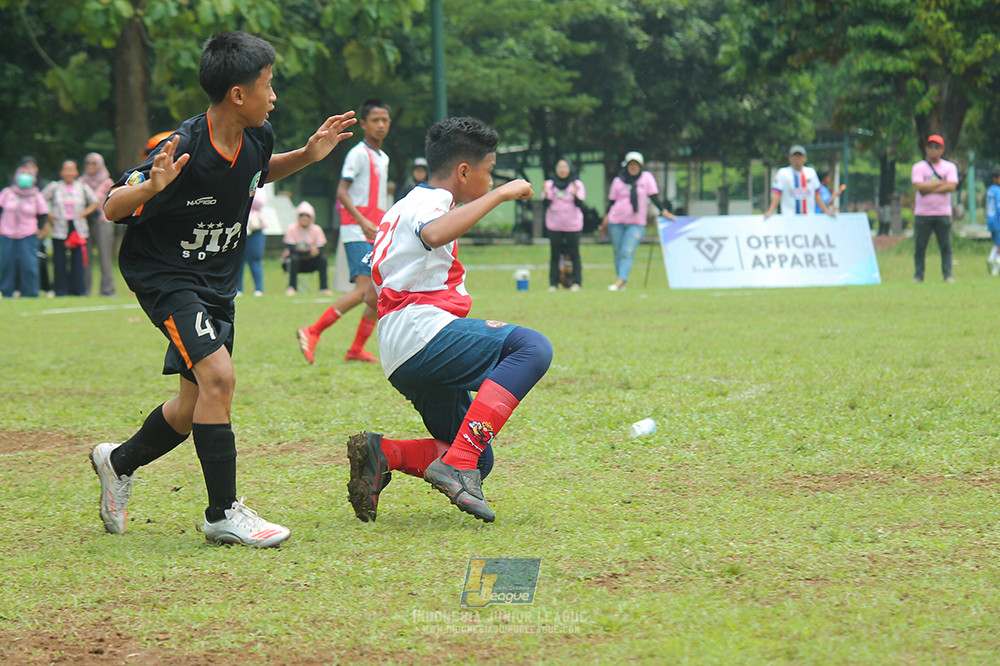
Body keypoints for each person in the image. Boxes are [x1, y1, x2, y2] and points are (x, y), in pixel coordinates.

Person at [89, 30, 357, 548]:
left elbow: (257, 174)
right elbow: (112, 206)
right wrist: (150, 187)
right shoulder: (183, 146)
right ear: (238, 94)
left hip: (216, 282)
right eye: (267, 85)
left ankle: (117, 462)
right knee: (219, 379)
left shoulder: (259, 136)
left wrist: (308, 154)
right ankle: (223, 513)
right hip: (167, 277)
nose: (273, 96)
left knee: (190, 407)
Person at [345, 116, 552, 524]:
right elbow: (435, 234)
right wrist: (503, 195)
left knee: (480, 460)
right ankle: (458, 462)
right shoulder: (433, 201)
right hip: (422, 334)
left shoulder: (401, 207)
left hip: (399, 350)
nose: (492, 181)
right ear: (464, 171)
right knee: (532, 347)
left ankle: (384, 453)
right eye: (490, 171)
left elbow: (372, 292)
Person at [296, 98, 391, 364]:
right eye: (375, 120)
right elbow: (341, 192)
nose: (381, 125)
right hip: (357, 230)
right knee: (363, 291)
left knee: (376, 293)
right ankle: (312, 331)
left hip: (376, 231)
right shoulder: (358, 154)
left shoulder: (383, 158)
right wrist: (361, 221)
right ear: (364, 124)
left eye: (385, 120)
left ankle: (356, 350)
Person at [599, 151, 674, 291]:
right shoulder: (618, 181)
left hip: (636, 223)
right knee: (618, 252)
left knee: (627, 251)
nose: (633, 167)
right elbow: (611, 202)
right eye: (631, 164)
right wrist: (605, 217)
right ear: (626, 165)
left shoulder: (646, 178)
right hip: (616, 221)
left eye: (636, 164)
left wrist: (663, 211)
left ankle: (620, 281)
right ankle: (622, 282)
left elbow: (654, 197)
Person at [41, 160, 99, 296]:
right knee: (59, 260)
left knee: (78, 260)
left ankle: (78, 290)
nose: (68, 173)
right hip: (59, 226)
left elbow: (95, 202)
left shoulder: (82, 187)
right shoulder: (55, 187)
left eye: (71, 170)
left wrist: (84, 213)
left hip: (78, 227)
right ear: (61, 172)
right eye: (66, 170)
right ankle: (60, 290)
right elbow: (40, 199)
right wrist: (49, 213)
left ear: (76, 172)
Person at [911, 134, 959, 283]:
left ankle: (948, 275)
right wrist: (941, 183)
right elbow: (919, 186)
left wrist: (929, 187)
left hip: (943, 213)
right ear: (926, 148)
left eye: (937, 147)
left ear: (942, 149)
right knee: (920, 246)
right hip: (922, 213)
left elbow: (952, 186)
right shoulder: (918, 167)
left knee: (946, 246)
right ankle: (918, 276)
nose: (933, 150)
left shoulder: (950, 167)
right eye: (930, 146)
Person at [0, 162, 49, 298]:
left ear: (33, 178)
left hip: (28, 234)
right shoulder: (7, 193)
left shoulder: (36, 195)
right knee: (6, 264)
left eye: (28, 174)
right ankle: (6, 292)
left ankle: (30, 293)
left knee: (28, 265)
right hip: (7, 233)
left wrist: (39, 230)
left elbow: (43, 214)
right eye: (22, 173)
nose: (24, 177)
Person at [543, 157, 585, 291]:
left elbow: (580, 204)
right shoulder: (549, 185)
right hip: (554, 225)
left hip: (573, 225)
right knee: (555, 254)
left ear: (570, 169)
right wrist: (546, 193)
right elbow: (545, 205)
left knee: (574, 254)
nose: (562, 170)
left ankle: (576, 282)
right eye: (559, 167)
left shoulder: (576, 184)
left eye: (565, 167)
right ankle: (553, 283)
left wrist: (575, 194)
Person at [764, 145, 833, 219]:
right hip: (789, 218)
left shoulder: (811, 173)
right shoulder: (783, 173)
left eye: (800, 156)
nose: (797, 158)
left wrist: (826, 211)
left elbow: (817, 195)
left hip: (808, 218)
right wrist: (770, 211)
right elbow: (777, 194)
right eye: (795, 156)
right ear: (790, 158)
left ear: (805, 158)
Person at [81, 153, 117, 296]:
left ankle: (107, 290)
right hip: (84, 222)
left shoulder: (107, 182)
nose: (90, 166)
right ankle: (84, 290)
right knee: (85, 259)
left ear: (100, 165)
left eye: (93, 163)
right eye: (87, 163)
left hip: (103, 221)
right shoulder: (81, 181)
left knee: (105, 257)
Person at [282, 200, 330, 295]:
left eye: (307, 216)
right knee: (294, 258)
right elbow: (292, 249)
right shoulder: (291, 229)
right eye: (301, 215)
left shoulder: (317, 229)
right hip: (294, 263)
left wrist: (316, 252)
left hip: (311, 262)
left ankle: (324, 288)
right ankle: (292, 287)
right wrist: (308, 252)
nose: (304, 218)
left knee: (323, 258)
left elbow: (320, 247)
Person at [239, 186, 267, 296]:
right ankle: (238, 289)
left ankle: (259, 288)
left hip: (255, 226)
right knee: (238, 259)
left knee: (255, 258)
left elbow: (260, 202)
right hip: (239, 223)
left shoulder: (259, 187)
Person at [987, 171, 1000, 276]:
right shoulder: (998, 191)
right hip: (997, 221)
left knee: (997, 243)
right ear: (995, 179)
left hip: (990, 220)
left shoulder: (990, 190)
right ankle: (995, 270)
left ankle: (991, 258)